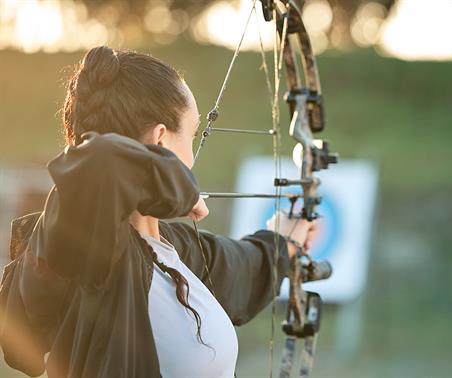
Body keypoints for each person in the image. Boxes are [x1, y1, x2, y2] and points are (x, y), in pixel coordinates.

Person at [0, 45, 317, 378]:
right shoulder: (86, 246)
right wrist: (178, 187)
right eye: (192, 135)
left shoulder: (172, 249)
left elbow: (241, 266)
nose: (192, 158)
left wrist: (285, 240)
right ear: (160, 141)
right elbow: (98, 161)